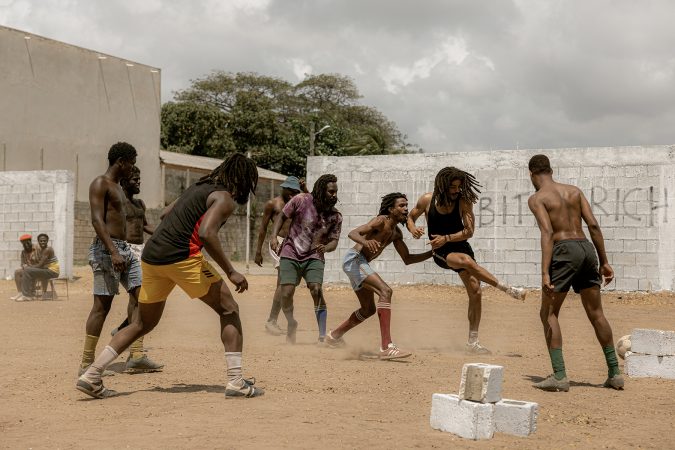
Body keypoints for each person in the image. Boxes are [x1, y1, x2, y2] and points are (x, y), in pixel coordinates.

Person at [76, 153, 264, 399]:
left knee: (142, 323)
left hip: (152, 257)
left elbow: (165, 214)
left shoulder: (198, 187)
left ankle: (91, 375)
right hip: (182, 257)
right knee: (229, 310)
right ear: (243, 180)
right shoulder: (224, 198)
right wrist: (231, 271)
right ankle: (236, 382)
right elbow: (207, 233)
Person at [527, 154, 623, 392]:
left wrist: (544, 273)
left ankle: (559, 376)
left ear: (531, 174)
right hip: (586, 248)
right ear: (551, 170)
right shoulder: (574, 191)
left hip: (563, 250)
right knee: (596, 313)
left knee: (548, 313)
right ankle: (614, 373)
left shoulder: (537, 198)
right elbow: (593, 225)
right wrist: (605, 261)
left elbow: (547, 233)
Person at [407, 167, 526, 355]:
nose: (456, 191)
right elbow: (411, 216)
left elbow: (469, 232)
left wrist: (446, 237)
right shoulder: (427, 200)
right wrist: (412, 228)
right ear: (442, 185)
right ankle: (507, 289)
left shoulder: (464, 201)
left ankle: (472, 342)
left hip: (458, 245)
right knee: (466, 261)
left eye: (459, 187)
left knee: (476, 291)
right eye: (452, 187)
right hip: (440, 251)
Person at [78, 142, 163, 377]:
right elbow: (97, 221)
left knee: (142, 298)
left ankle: (135, 356)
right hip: (107, 250)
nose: (132, 169)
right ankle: (86, 363)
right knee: (101, 308)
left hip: (125, 249)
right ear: (121, 162)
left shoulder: (117, 187)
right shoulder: (100, 183)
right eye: (132, 164)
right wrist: (113, 251)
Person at [326, 193, 432, 359]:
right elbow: (353, 233)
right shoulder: (380, 221)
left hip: (358, 263)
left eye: (406, 205)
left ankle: (333, 336)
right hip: (354, 259)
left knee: (368, 310)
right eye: (401, 206)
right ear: (391, 209)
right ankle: (386, 347)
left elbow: (408, 259)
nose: (406, 209)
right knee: (385, 291)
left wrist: (432, 253)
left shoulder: (396, 233)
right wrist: (365, 242)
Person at [270, 174, 342, 344]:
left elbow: (334, 242)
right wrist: (273, 237)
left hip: (314, 256)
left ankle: (322, 335)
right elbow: (281, 217)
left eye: (336, 192)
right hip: (290, 252)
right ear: (321, 190)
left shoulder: (335, 216)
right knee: (286, 293)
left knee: (316, 289)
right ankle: (291, 323)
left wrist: (326, 248)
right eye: (331, 191)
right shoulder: (301, 200)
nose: (334, 195)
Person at [108, 166, 157, 353]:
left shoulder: (140, 204)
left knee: (138, 298)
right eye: (134, 179)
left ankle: (124, 331)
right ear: (123, 181)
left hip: (141, 250)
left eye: (139, 179)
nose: (138, 182)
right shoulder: (118, 203)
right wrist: (115, 252)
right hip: (125, 250)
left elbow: (145, 226)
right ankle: (132, 343)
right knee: (139, 297)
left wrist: (164, 233)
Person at [254, 176, 302, 336]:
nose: (293, 194)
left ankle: (275, 320)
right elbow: (262, 229)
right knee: (283, 281)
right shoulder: (272, 204)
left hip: (292, 244)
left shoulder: (295, 203)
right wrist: (258, 251)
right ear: (283, 188)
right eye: (291, 191)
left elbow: (312, 206)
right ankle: (271, 321)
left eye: (296, 191)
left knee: (285, 284)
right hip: (278, 243)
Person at [16, 234, 60, 301]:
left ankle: (27, 295)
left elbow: (40, 264)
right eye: (41, 241)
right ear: (38, 241)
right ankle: (25, 293)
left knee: (28, 271)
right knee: (21, 271)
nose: (42, 242)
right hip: (46, 269)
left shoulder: (46, 249)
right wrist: (25, 266)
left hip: (52, 271)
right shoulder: (41, 249)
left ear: (47, 241)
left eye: (44, 241)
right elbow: (23, 263)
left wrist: (29, 267)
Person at [10, 234, 39, 301]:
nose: (26, 245)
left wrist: (32, 267)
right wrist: (24, 265)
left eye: (27, 242)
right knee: (17, 272)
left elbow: (41, 261)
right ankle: (20, 292)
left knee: (30, 273)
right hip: (27, 269)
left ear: (30, 241)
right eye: (24, 243)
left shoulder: (37, 248)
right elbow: (22, 263)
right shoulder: (23, 252)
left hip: (37, 268)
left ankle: (31, 293)